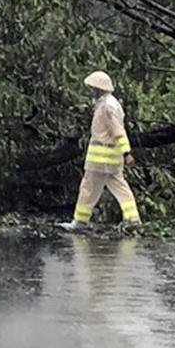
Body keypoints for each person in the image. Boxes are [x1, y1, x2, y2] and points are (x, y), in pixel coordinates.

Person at [59, 71, 141, 233]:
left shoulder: (107, 106)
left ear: (98, 88)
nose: (91, 91)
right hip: (110, 157)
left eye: (92, 88)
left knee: (88, 188)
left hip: (101, 157)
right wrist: (124, 152)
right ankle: (133, 219)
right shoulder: (109, 103)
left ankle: (80, 222)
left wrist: (127, 152)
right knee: (120, 187)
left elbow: (118, 130)